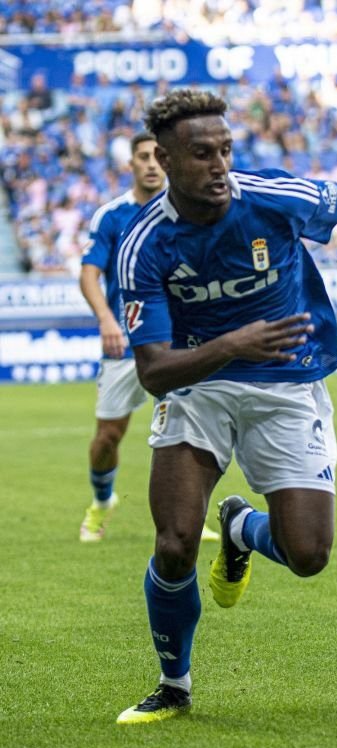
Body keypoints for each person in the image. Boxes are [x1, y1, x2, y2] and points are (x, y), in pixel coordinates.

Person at [114, 89, 337, 724]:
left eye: (225, 150)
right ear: (165, 158)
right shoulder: (145, 245)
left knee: (309, 556)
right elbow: (154, 372)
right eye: (201, 154)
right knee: (176, 540)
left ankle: (241, 528)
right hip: (196, 388)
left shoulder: (270, 198)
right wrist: (232, 343)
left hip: (287, 382)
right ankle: (174, 684)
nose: (218, 166)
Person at [79, 131, 210, 541]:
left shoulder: (189, 213)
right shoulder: (112, 216)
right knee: (108, 437)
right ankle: (102, 502)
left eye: (158, 156)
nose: (151, 164)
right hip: (127, 342)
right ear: (130, 164)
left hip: (178, 340)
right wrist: (106, 319)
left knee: (189, 432)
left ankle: (189, 516)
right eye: (143, 157)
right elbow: (88, 274)